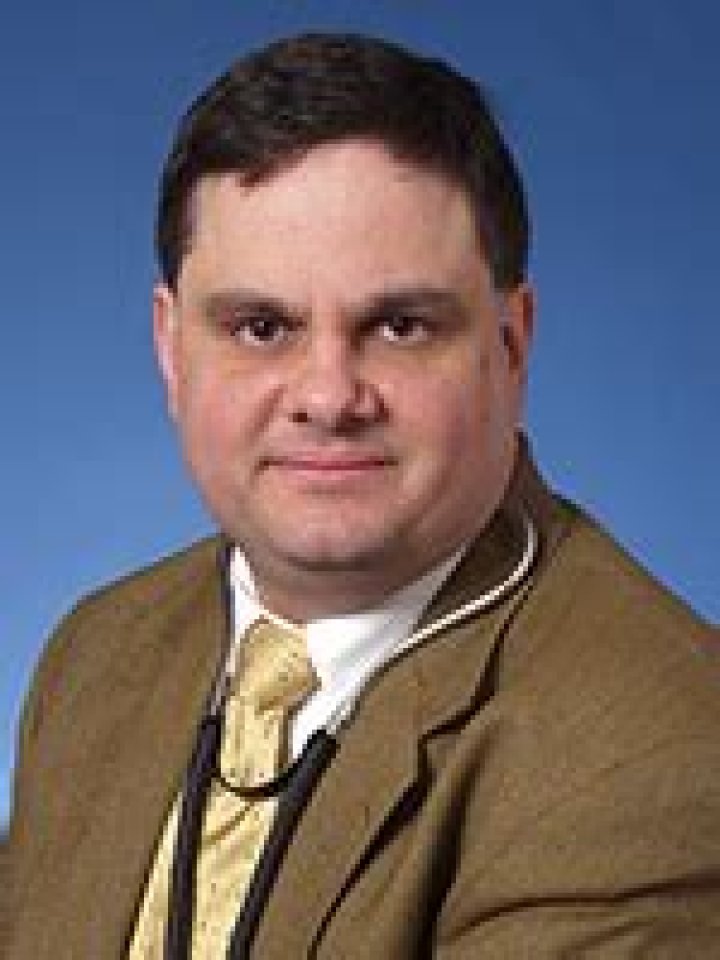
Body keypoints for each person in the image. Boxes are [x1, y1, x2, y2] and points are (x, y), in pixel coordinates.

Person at [5, 32, 720, 959]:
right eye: (261, 327)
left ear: (511, 345)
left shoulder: (654, 752)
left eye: (399, 325)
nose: (329, 397)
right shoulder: (97, 654)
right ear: (171, 350)